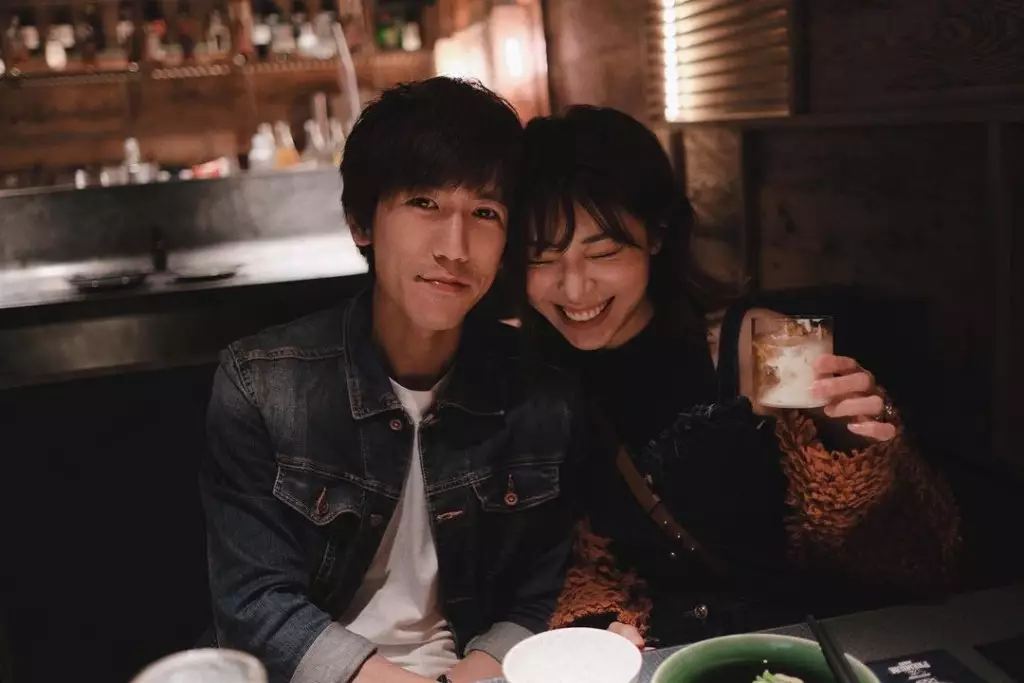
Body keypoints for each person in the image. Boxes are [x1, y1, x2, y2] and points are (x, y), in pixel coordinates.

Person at [507, 105, 962, 648]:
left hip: (800, 643)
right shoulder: (531, 379)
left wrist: (857, 448)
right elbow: (565, 562)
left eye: (603, 252)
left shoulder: (760, 340)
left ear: (657, 236)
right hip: (662, 653)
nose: (575, 288)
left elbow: (889, 549)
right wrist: (600, 624)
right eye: (541, 259)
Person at [199, 78, 586, 683]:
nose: (455, 248)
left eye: (485, 213)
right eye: (424, 204)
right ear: (362, 222)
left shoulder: (540, 392)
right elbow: (255, 605)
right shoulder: (262, 386)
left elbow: (540, 594)